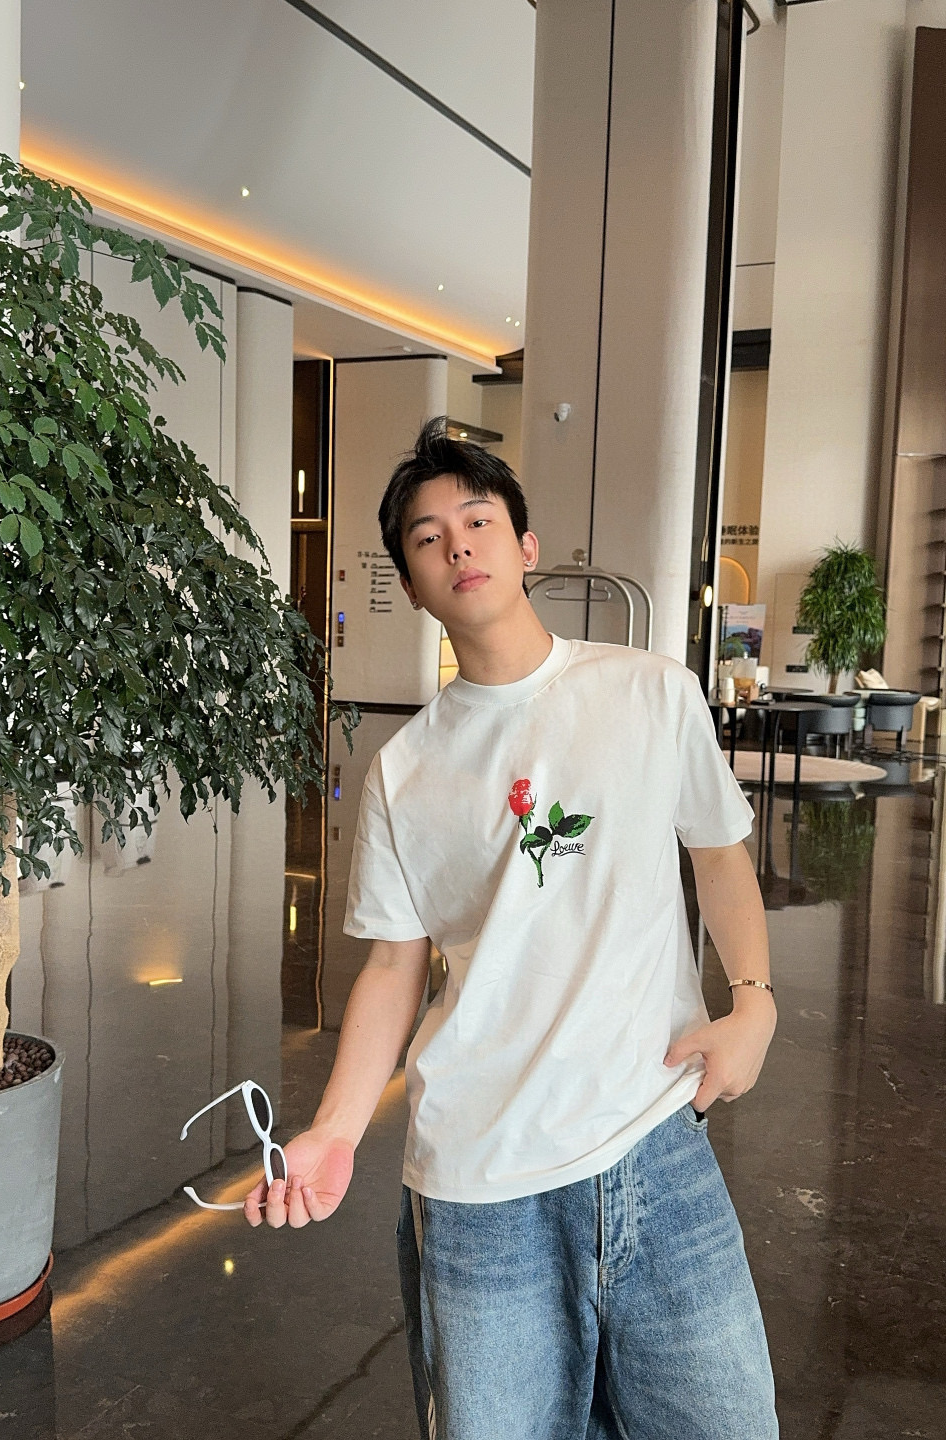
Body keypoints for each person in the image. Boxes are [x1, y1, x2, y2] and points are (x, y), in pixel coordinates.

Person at [245, 418, 779, 1440]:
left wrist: (752, 1002)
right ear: (413, 585)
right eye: (426, 537)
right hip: (479, 1180)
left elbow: (718, 854)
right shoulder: (403, 769)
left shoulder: (649, 691)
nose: (457, 544)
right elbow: (394, 968)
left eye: (477, 520)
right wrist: (337, 1130)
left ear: (526, 546)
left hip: (656, 1144)